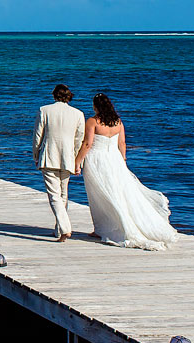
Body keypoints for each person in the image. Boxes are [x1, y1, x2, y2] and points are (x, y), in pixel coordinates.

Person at [74, 93, 179, 251]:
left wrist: (77, 162)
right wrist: (123, 161)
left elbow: (88, 144)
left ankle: (103, 228)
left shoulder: (92, 121)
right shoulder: (118, 122)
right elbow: (122, 143)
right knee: (118, 193)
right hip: (114, 159)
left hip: (97, 160)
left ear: (96, 106)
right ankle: (106, 227)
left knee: (99, 195)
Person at [33, 84, 86, 241]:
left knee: (54, 195)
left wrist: (36, 155)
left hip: (49, 156)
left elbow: (38, 136)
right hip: (68, 158)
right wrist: (77, 160)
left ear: (54, 95)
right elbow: (79, 139)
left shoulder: (44, 110)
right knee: (63, 194)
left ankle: (64, 228)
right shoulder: (78, 114)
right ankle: (59, 230)